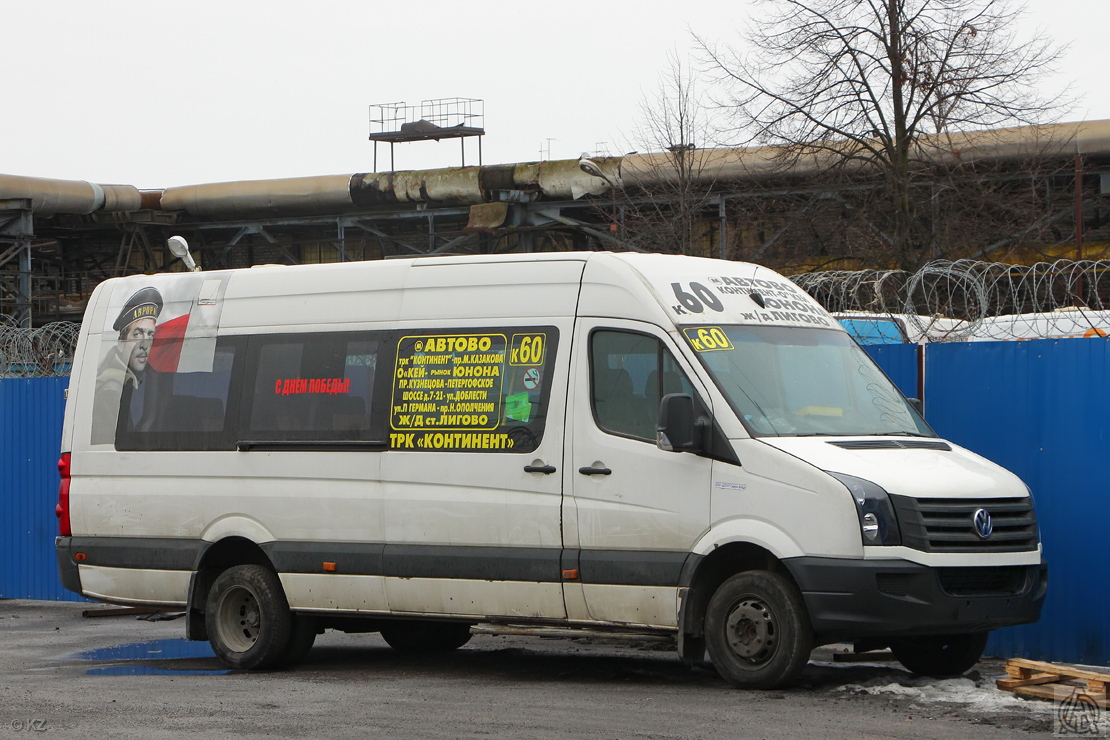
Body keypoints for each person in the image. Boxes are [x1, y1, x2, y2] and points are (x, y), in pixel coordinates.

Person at [91, 287, 163, 444]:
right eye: (137, 335)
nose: (145, 344)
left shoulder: (140, 379)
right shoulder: (111, 389)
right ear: (121, 343)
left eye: (150, 335)